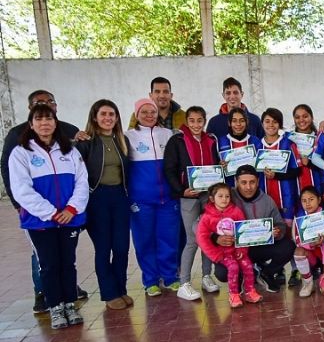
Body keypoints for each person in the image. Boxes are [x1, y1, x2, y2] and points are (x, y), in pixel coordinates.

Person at [1, 90, 85, 313]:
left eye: (49, 118)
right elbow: (21, 188)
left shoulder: (69, 149)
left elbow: (81, 182)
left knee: (68, 263)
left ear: (56, 122)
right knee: (48, 264)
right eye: (39, 118)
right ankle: (53, 305)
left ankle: (70, 303)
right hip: (39, 219)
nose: (45, 123)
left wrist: (70, 209)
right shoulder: (20, 152)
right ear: (31, 122)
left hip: (69, 217)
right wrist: (49, 212)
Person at [75, 100, 133, 310]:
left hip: (119, 197)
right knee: (103, 248)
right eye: (104, 114)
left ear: (117, 118)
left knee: (121, 248)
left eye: (112, 114)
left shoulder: (122, 140)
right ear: (95, 117)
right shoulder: (85, 142)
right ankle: (109, 293)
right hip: (96, 199)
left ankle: (121, 289)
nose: (108, 118)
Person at [163, 106, 220, 301]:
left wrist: (220, 168)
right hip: (188, 196)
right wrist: (181, 190)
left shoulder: (211, 140)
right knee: (192, 239)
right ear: (187, 121)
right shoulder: (177, 141)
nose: (196, 124)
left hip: (208, 197)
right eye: (192, 120)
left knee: (208, 236)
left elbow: (216, 164)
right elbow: (169, 169)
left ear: (204, 121)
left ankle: (206, 275)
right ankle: (184, 282)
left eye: (199, 120)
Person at [125, 98, 181, 296]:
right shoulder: (127, 137)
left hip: (168, 199)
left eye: (153, 112)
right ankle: (150, 280)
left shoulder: (168, 134)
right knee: (144, 240)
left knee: (169, 239)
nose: (149, 115)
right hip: (141, 200)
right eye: (144, 112)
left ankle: (171, 277)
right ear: (136, 114)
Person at [212, 165, 295, 292]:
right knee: (222, 273)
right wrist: (216, 238)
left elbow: (280, 223)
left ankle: (266, 273)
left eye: (252, 182)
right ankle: (241, 277)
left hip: (259, 248)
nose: (248, 187)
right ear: (236, 182)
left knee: (288, 247)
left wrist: (278, 231)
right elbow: (201, 225)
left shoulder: (267, 200)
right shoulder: (226, 197)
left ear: (258, 181)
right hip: (234, 249)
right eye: (243, 183)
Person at [196, 183, 263, 307]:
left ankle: (249, 291)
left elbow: (243, 231)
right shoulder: (207, 217)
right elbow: (202, 238)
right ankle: (234, 295)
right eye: (220, 196)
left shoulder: (236, 211)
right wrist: (216, 255)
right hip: (222, 254)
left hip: (237, 251)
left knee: (248, 266)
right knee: (233, 268)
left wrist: (242, 250)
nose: (224, 199)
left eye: (227, 196)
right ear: (212, 198)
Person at [256, 108, 301, 223]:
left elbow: (297, 171)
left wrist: (276, 175)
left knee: (286, 230)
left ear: (280, 124)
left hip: (286, 196)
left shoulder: (288, 143)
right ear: (262, 123)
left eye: (275, 121)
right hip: (263, 194)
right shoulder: (256, 145)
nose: (271, 125)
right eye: (267, 121)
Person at [293, 186, 324, 298]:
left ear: (319, 199)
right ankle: (308, 282)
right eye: (304, 200)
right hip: (311, 255)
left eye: (311, 199)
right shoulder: (300, 217)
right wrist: (312, 244)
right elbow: (298, 240)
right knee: (298, 252)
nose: (308, 203)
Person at [216, 107, 261, 186]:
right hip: (229, 188)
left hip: (251, 188)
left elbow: (261, 167)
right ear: (229, 123)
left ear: (247, 122)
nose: (238, 124)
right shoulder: (220, 142)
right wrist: (219, 166)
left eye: (242, 120)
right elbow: (215, 166)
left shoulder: (255, 141)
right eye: (234, 121)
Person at [291, 104, 322, 195]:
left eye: (305, 116)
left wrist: (309, 163)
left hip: (318, 184)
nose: (301, 120)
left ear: (311, 117)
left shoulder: (320, 138)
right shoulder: (288, 140)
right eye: (297, 117)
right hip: (295, 187)